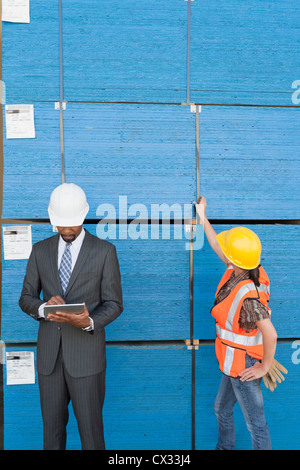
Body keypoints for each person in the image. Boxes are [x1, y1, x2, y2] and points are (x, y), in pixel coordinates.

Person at [19, 183, 123, 450]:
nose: (66, 230)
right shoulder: (40, 250)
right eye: (61, 225)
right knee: (51, 437)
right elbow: (26, 298)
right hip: (49, 360)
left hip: (86, 359)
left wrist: (89, 322)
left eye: (72, 225)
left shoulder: (104, 251)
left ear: (84, 216)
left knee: (91, 436)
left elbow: (114, 303)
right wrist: (43, 307)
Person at [194, 196, 277, 450]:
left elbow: (270, 334)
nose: (225, 256)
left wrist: (264, 367)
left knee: (256, 424)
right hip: (233, 359)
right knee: (221, 409)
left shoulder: (249, 296)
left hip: (245, 364)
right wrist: (202, 216)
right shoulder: (244, 269)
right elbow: (220, 248)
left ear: (236, 260)